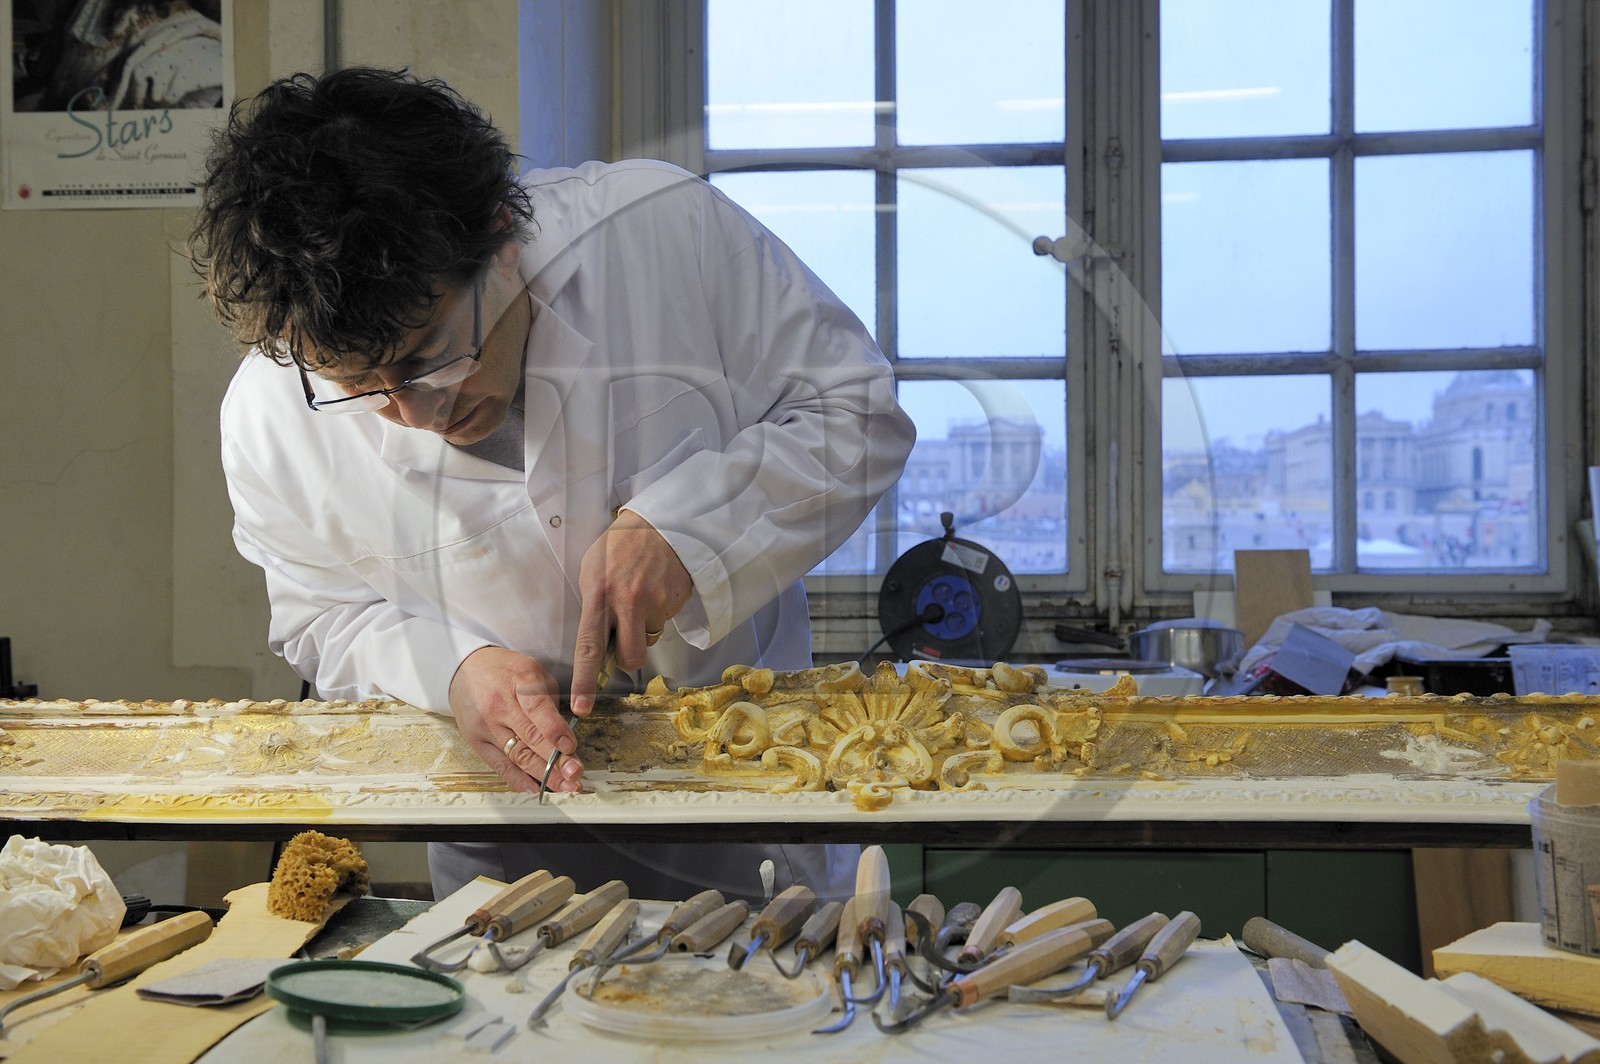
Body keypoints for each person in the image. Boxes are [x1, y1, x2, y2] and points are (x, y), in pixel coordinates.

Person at [189, 67, 915, 903]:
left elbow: (856, 412)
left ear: (501, 238)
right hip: (505, 843)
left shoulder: (663, 233)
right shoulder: (269, 415)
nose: (415, 411)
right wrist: (454, 669)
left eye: (432, 353)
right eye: (363, 384)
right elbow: (323, 615)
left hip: (752, 804)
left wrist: (693, 530)